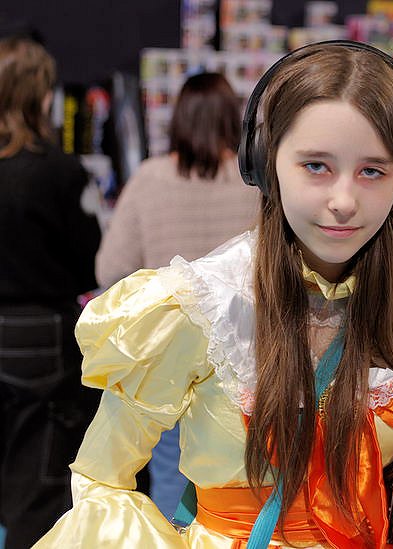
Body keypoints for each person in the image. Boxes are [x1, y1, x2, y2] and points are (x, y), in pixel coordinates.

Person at [36, 40, 393, 548]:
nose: (344, 201)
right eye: (316, 166)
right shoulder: (202, 305)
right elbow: (102, 479)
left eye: (373, 170)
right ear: (265, 161)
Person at [94, 71, 259, 517]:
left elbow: (109, 268)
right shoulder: (256, 184)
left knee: (169, 476)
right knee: (237, 484)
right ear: (233, 118)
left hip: (167, 353)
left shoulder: (149, 179)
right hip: (244, 356)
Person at [0, 37, 101, 549]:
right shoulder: (59, 170)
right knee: (36, 479)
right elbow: (90, 261)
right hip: (40, 335)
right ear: (42, 97)